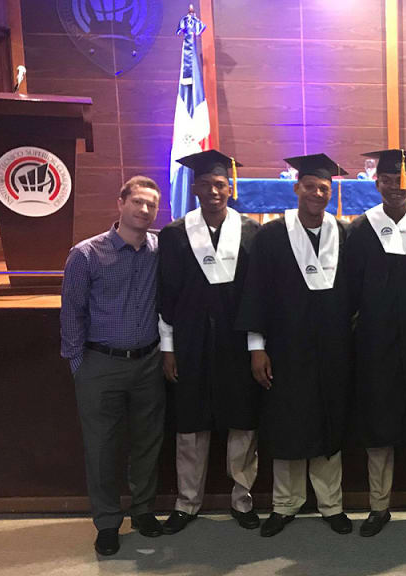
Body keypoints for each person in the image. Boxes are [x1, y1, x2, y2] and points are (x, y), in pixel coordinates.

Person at [235, 153, 354, 538]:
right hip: (286, 348)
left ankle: (331, 504)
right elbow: (254, 294)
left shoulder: (345, 235)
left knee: (329, 422)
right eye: (311, 186)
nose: (318, 193)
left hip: (334, 348)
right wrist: (257, 347)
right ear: (296, 188)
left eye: (324, 188)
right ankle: (285, 504)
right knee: (287, 423)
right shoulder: (270, 236)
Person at [342, 148, 406, 537]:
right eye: (387, 180)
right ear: (377, 183)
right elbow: (349, 289)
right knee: (377, 426)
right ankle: (378, 506)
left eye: (401, 180)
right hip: (376, 344)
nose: (395, 187)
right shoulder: (360, 229)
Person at [158, 150, 261, 534]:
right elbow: (165, 295)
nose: (214, 190)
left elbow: (257, 296)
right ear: (196, 187)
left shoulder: (251, 231)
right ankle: (187, 502)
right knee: (190, 422)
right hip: (191, 341)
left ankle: (242, 499)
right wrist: (168, 348)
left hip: (237, 342)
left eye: (221, 184)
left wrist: (256, 346)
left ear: (230, 188)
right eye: (207, 184)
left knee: (243, 422)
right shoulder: (174, 234)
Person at [60, 176, 165, 555]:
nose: (144, 210)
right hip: (99, 364)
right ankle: (106, 522)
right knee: (101, 449)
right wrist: (78, 364)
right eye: (137, 201)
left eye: (151, 204)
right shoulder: (86, 254)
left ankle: (143, 511)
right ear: (120, 202)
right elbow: (71, 312)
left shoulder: (159, 249)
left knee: (147, 444)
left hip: (148, 363)